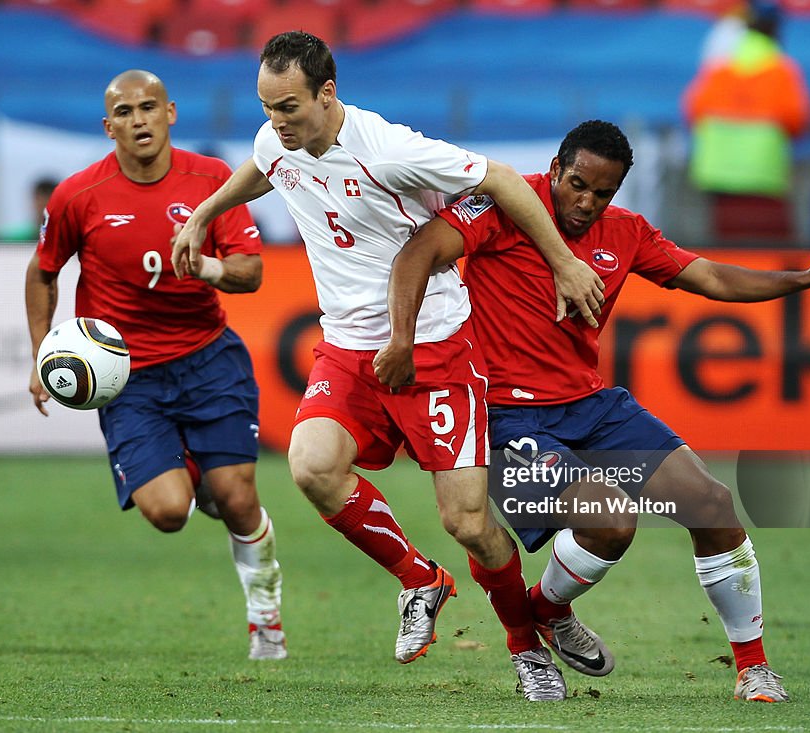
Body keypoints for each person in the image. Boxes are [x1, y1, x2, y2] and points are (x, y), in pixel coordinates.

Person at [171, 31, 607, 701]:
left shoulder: (389, 149)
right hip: (347, 346)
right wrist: (208, 208)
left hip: (434, 346)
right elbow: (265, 165)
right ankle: (420, 579)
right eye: (266, 107)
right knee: (312, 465)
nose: (276, 121)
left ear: (327, 94)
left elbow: (502, 180)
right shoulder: (277, 139)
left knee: (468, 522)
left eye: (288, 107)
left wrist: (564, 261)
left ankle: (525, 645)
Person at [377, 119, 810, 702]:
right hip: (506, 415)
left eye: (604, 192)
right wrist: (402, 340)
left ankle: (749, 667)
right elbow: (420, 251)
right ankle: (535, 625)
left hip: (592, 405)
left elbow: (711, 276)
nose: (587, 203)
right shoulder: (501, 204)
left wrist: (807, 277)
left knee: (712, 504)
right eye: (578, 185)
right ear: (557, 168)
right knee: (611, 522)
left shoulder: (626, 232)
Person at [25, 70, 286, 661]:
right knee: (169, 513)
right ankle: (196, 468)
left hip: (208, 359)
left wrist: (209, 269)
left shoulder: (213, 180)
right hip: (126, 377)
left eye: (148, 107)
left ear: (170, 113)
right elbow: (43, 271)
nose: (138, 120)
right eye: (124, 112)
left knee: (239, 500)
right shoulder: (77, 195)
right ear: (108, 125)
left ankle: (265, 615)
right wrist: (42, 353)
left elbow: (251, 271)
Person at [682, 0, 810, 243]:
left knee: (725, 258)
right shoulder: (781, 70)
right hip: (762, 175)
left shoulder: (720, 65)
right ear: (775, 28)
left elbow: (693, 110)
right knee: (764, 260)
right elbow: (797, 121)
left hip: (717, 174)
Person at [0, 177, 59, 242]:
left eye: (48, 201)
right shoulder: (15, 239)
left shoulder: (67, 239)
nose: (44, 207)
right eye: (40, 202)